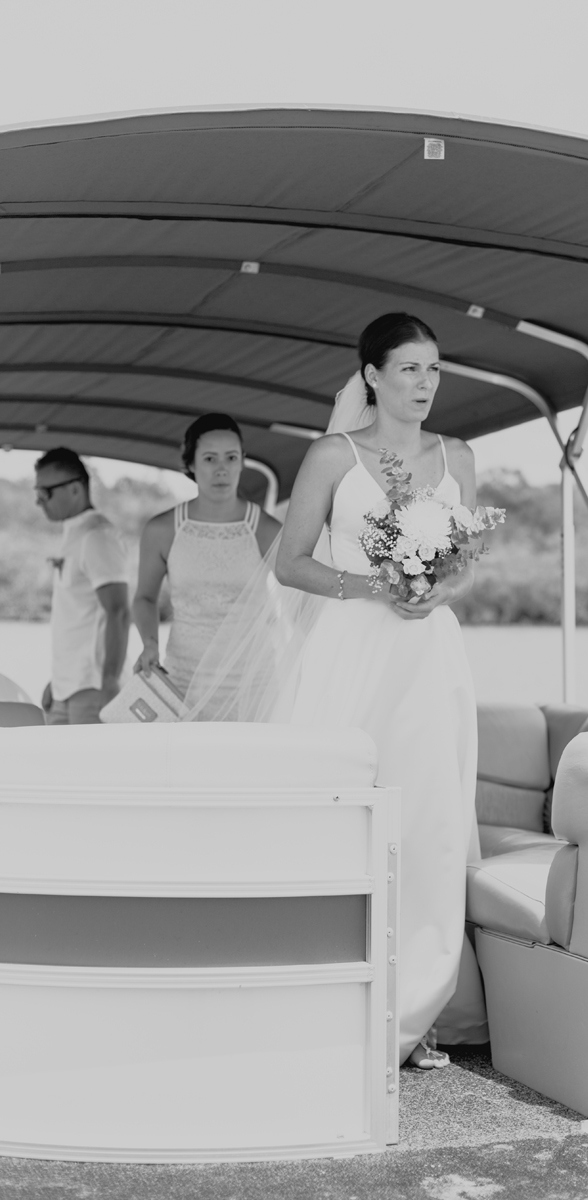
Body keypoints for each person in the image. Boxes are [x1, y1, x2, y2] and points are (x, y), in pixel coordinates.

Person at [185, 314, 488, 1068]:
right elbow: (289, 563)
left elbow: (469, 565)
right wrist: (372, 582)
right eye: (410, 370)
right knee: (340, 822)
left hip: (428, 657)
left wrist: (435, 592)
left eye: (434, 371)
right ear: (373, 377)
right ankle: (323, 992)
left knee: (431, 827)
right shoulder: (332, 455)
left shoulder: (460, 457)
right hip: (349, 649)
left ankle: (414, 1013)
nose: (425, 385)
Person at [133, 412, 281, 694]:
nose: (221, 469)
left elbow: (301, 598)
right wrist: (148, 644)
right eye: (210, 458)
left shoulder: (266, 529)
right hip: (184, 680)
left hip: (253, 684)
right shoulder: (162, 530)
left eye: (231, 458)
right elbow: (144, 597)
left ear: (242, 460)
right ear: (190, 463)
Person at [35, 447, 130, 725]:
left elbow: (119, 612)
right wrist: (58, 681)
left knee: (90, 768)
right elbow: (77, 617)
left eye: (46, 492)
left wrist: (110, 682)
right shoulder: (74, 533)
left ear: (75, 489)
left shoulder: (97, 536)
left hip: (93, 688)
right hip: (66, 688)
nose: (39, 501)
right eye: (37, 492)